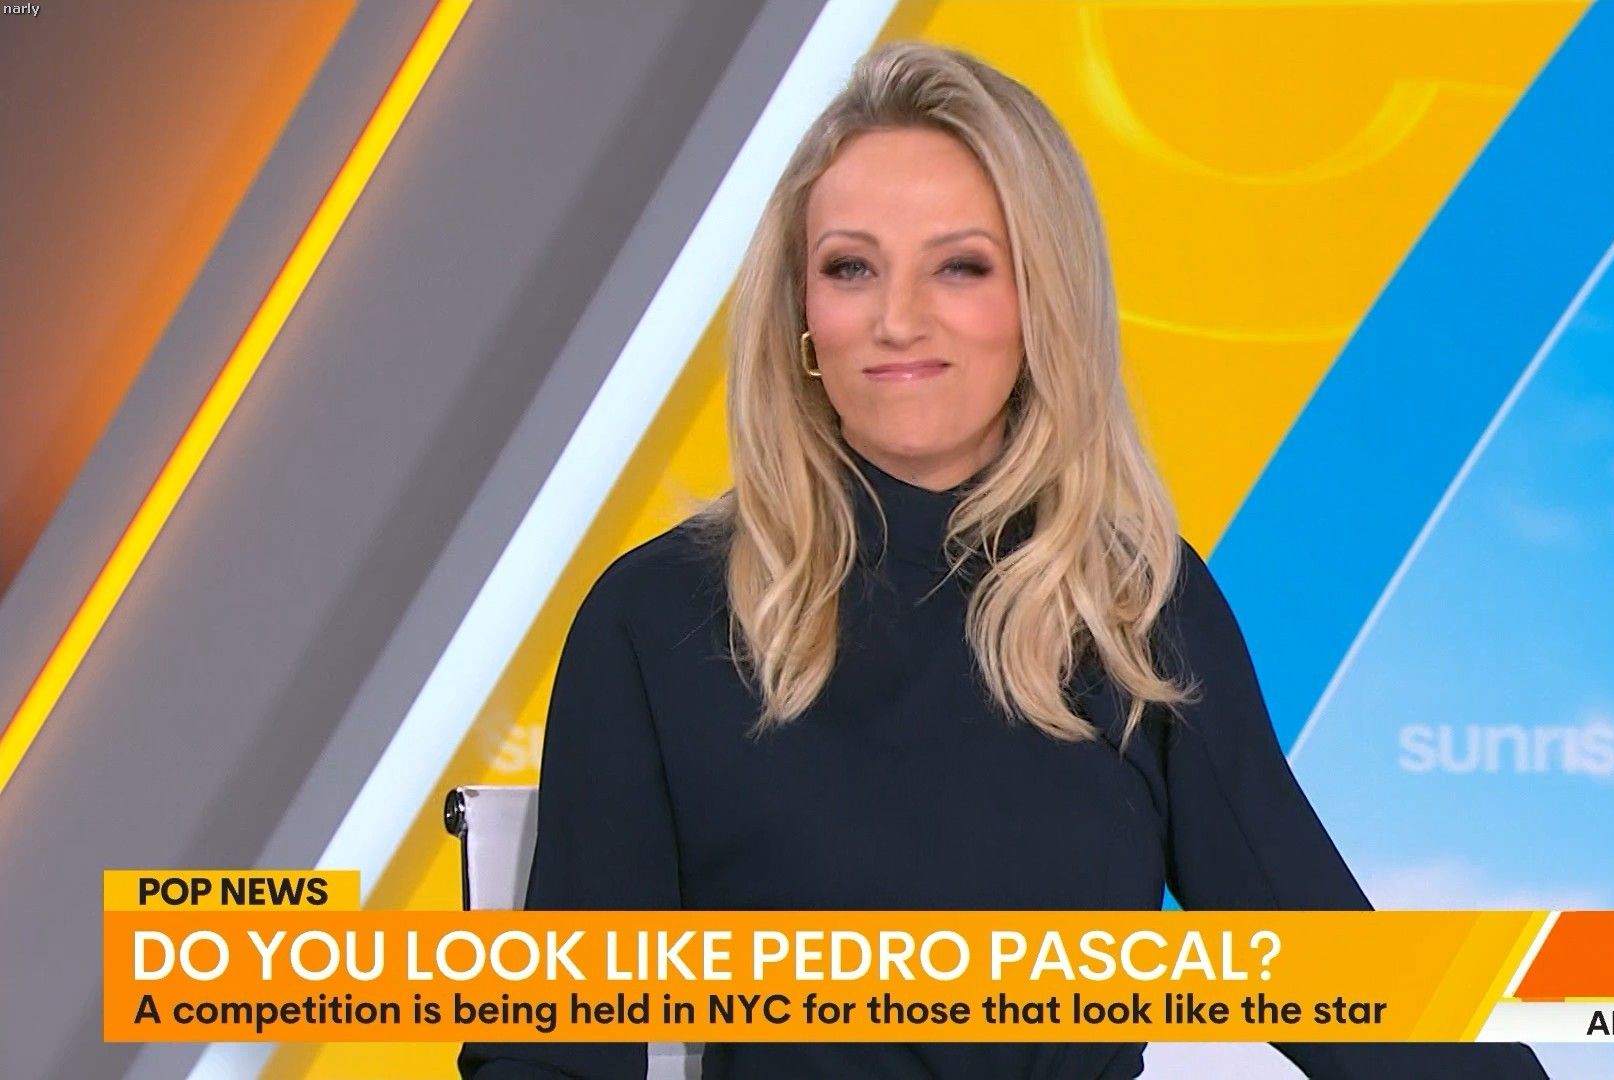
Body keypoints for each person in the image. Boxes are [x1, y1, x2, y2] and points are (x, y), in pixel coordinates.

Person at [459, 39, 1549, 1080]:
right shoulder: (657, 616)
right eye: (851, 268)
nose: (897, 320)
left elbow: (1343, 987)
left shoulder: (1134, 602)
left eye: (960, 267)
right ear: (801, 313)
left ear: (1041, 302)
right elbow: (557, 1048)